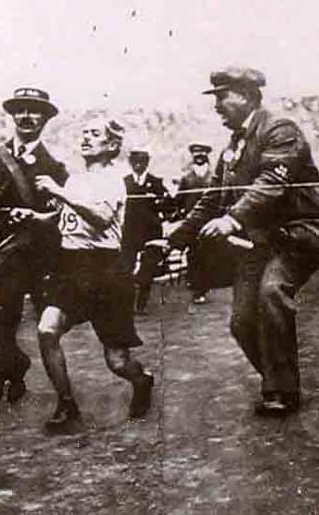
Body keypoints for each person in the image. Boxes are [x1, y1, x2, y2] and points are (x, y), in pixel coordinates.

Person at [167, 66, 319, 416]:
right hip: (261, 241)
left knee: (272, 292)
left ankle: (282, 390)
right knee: (241, 322)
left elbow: (270, 185)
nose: (216, 106)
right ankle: (277, 379)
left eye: (222, 97)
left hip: (300, 237)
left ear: (246, 96)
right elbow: (212, 198)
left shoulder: (281, 131)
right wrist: (175, 238)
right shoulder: (231, 147)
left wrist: (232, 219)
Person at [32, 118, 153, 434]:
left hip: (105, 271)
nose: (86, 139)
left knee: (117, 361)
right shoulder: (75, 179)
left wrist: (59, 192)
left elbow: (100, 218)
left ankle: (143, 380)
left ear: (112, 145)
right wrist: (37, 216)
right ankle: (66, 403)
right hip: (71, 267)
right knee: (47, 330)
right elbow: (66, 216)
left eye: (95, 135)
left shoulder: (113, 179)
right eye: (83, 134)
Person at [0, 87, 68, 416]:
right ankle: (17, 363)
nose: (25, 117)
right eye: (19, 110)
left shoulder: (55, 168)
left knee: (1, 318)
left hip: (25, 258)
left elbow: (57, 220)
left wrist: (34, 221)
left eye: (33, 111)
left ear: (46, 119)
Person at [121, 149, 172, 314]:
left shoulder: (156, 183)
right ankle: (126, 303)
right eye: (135, 162)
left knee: (148, 269)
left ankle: (141, 304)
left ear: (147, 163)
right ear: (130, 163)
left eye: (142, 162)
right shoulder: (124, 183)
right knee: (126, 267)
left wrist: (161, 203)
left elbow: (169, 206)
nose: (138, 165)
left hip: (151, 232)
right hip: (129, 232)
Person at [175, 143, 215, 303]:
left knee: (207, 253)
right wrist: (181, 214)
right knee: (193, 254)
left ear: (206, 155)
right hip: (192, 220)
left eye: (202, 153)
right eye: (196, 154)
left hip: (209, 220)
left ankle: (204, 286)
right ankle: (196, 288)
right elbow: (179, 198)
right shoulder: (186, 177)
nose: (199, 156)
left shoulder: (214, 176)